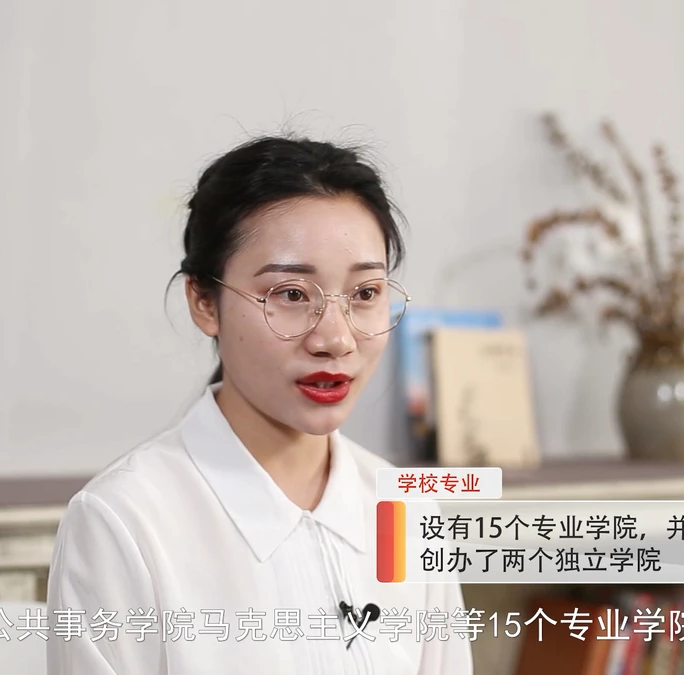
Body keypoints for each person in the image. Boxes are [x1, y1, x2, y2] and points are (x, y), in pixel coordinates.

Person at [46, 135, 474, 674]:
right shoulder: (124, 521)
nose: (336, 339)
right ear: (205, 302)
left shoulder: (407, 512)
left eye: (365, 293)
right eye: (291, 294)